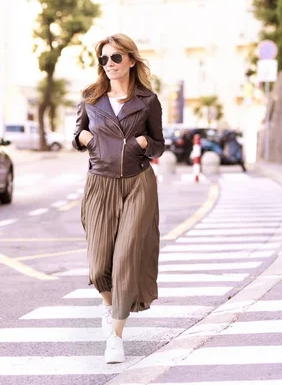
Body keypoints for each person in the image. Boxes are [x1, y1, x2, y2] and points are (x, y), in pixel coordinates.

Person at [72, 33, 164, 364]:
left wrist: (143, 143)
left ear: (130, 61)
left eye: (115, 58)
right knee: (99, 268)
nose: (109, 65)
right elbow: (76, 136)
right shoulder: (90, 98)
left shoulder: (148, 100)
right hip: (100, 184)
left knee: (125, 260)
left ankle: (116, 336)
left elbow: (159, 144)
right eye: (103, 59)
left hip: (138, 184)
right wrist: (83, 138)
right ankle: (108, 305)